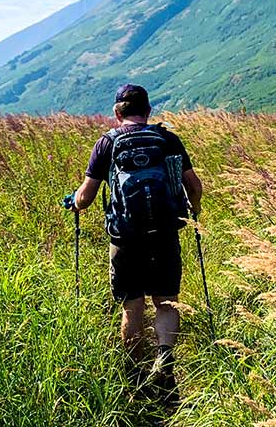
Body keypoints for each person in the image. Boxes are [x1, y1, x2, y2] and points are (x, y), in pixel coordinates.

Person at [65, 84, 203, 400]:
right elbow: (194, 186)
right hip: (165, 231)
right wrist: (193, 213)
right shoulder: (168, 139)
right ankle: (164, 365)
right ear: (148, 110)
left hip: (125, 236)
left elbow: (85, 197)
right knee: (166, 302)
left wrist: (73, 202)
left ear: (117, 113)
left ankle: (135, 378)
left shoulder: (107, 144)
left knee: (133, 305)